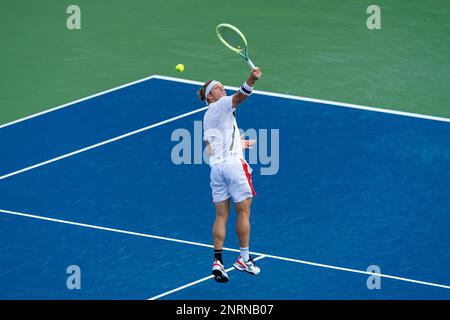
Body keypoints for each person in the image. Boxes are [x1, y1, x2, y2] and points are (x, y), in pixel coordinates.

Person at [198, 67, 262, 282]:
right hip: (234, 167)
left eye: (221, 86)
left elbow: (210, 147)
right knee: (244, 212)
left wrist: (238, 143)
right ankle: (244, 258)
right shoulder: (223, 103)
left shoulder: (208, 117)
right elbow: (241, 96)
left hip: (216, 170)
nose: (221, 88)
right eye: (217, 87)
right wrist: (252, 79)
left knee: (221, 216)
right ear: (210, 97)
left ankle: (217, 261)